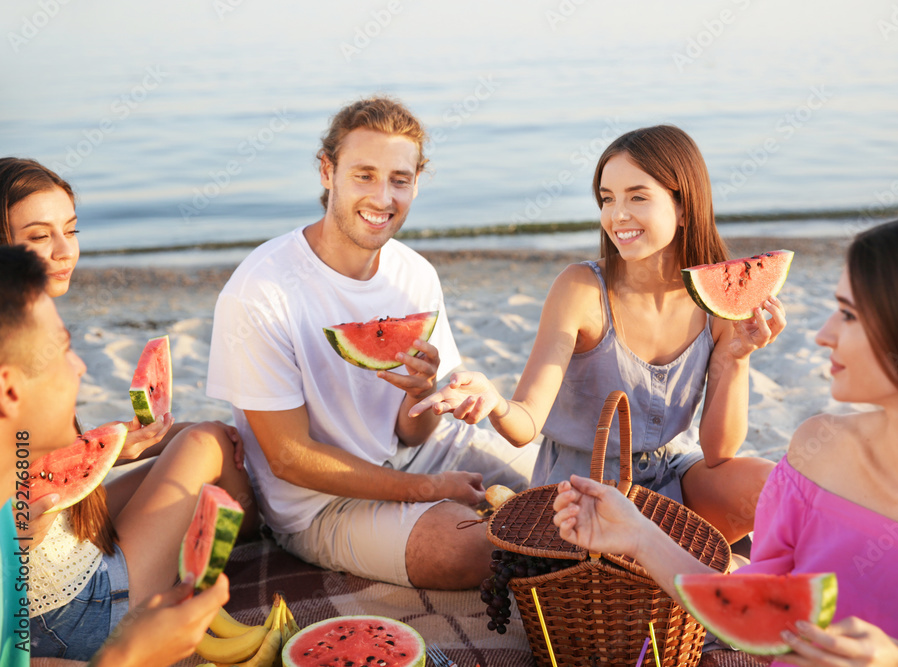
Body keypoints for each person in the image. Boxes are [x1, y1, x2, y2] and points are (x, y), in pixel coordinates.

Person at [552, 213, 898, 666]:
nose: (824, 335)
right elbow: (753, 606)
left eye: (848, 314)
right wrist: (637, 534)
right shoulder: (818, 453)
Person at [205, 96, 535, 590]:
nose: (383, 198)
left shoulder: (414, 274)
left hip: (427, 457)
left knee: (571, 489)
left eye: (399, 180)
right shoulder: (261, 290)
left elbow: (410, 434)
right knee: (470, 551)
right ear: (327, 171)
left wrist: (421, 396)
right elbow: (288, 458)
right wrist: (425, 491)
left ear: (416, 182)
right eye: (364, 175)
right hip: (321, 504)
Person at [412, 125, 783, 544]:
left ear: (683, 207)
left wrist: (736, 357)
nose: (617, 215)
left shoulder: (715, 300)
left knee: (773, 488)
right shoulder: (580, 289)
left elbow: (720, 453)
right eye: (607, 199)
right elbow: (527, 424)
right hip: (577, 493)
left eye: (637, 197)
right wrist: (496, 403)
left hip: (668, 478)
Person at [0, 158, 255, 660]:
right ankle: (249, 541)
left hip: (53, 560)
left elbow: (30, 468)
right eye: (37, 237)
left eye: (70, 230)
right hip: (88, 611)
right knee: (208, 439)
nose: (63, 250)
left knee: (177, 436)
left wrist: (115, 445)